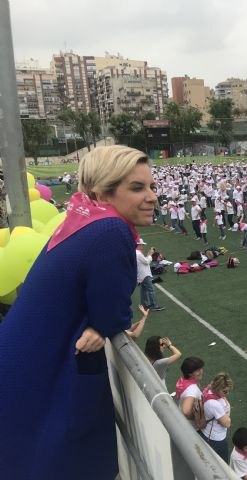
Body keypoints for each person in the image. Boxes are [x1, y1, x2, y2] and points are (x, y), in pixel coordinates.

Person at [0, 145, 157, 479]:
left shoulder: (81, 218)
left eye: (151, 186)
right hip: (44, 373)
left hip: (21, 362)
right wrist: (101, 324)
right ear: (103, 191)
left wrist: (98, 324)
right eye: (137, 187)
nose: (151, 196)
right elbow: (114, 316)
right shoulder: (110, 231)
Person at [201, 373, 234, 463]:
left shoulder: (209, 389)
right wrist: (228, 407)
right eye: (225, 391)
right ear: (217, 388)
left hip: (209, 434)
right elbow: (227, 423)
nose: (227, 394)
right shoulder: (214, 404)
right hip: (215, 438)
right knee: (223, 465)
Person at [176, 356, 206, 430]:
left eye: (201, 368)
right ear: (189, 374)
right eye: (198, 370)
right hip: (191, 427)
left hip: (182, 421)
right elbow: (186, 411)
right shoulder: (192, 390)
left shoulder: (183, 379)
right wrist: (196, 417)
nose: (201, 371)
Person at [136, 238, 165, 311]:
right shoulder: (138, 253)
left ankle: (144, 305)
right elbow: (146, 262)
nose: (142, 245)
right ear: (138, 245)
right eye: (142, 244)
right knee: (150, 290)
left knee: (143, 290)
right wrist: (150, 255)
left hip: (140, 274)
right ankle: (154, 305)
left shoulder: (135, 252)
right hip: (144, 274)